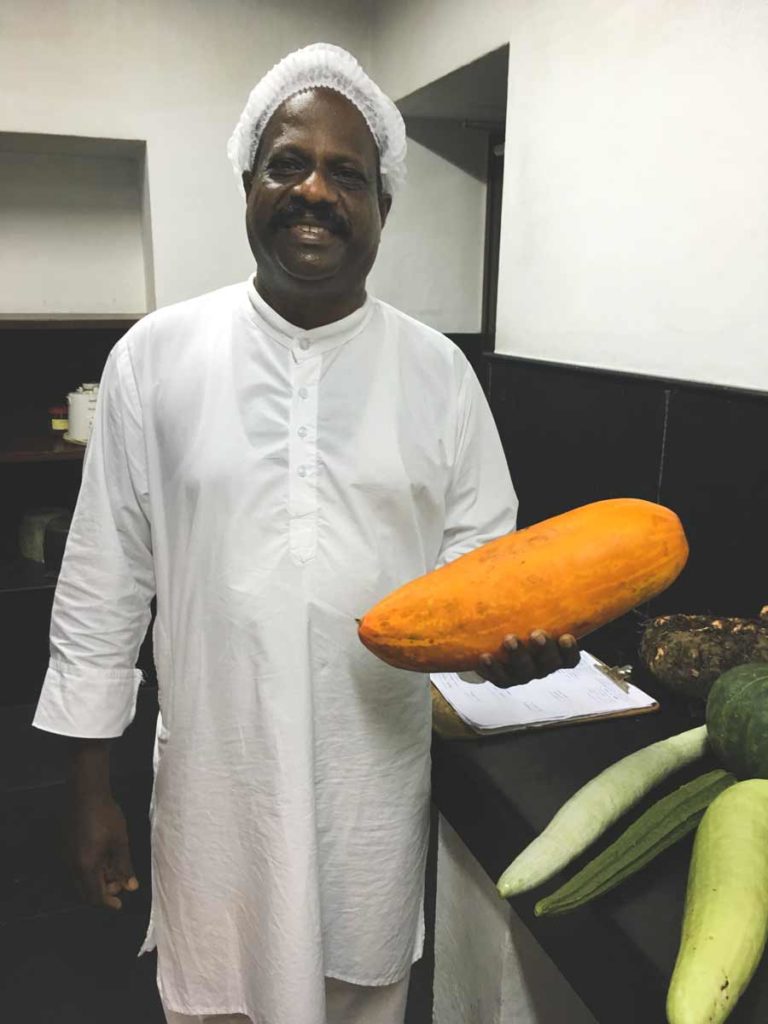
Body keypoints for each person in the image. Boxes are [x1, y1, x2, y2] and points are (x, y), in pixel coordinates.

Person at [33, 43, 578, 1024]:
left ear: (383, 207)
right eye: (289, 162)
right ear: (249, 180)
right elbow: (102, 586)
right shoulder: (153, 358)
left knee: (361, 995)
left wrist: (506, 658)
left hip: (367, 805)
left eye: (349, 174)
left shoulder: (439, 377)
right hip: (215, 802)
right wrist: (90, 787)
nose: (315, 189)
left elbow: (486, 579)